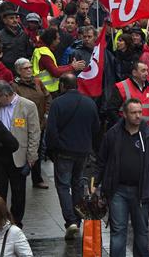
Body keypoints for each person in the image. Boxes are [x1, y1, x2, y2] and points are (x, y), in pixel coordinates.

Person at [96, 98, 149, 257]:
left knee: (142, 232)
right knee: (118, 231)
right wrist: (97, 183)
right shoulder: (113, 135)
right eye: (133, 113)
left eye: (140, 112)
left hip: (142, 192)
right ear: (124, 114)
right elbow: (101, 161)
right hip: (118, 191)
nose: (138, 116)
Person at [46, 73, 100, 239]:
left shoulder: (57, 103)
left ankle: (71, 221)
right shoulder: (89, 103)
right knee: (77, 185)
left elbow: (51, 131)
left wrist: (51, 151)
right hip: (83, 152)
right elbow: (96, 129)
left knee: (63, 186)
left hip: (63, 152)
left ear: (62, 86)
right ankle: (77, 217)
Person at [0, 81, 40, 228]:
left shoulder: (28, 106)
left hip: (18, 155)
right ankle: (1, 219)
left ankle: (16, 221)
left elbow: (34, 133)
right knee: (0, 191)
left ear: (7, 95)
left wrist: (32, 157)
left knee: (18, 191)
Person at [12, 58, 51, 189]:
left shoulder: (38, 82)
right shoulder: (14, 86)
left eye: (30, 67)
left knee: (38, 151)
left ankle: (37, 178)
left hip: (39, 122)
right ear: (18, 71)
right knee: (21, 151)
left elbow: (47, 97)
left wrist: (46, 114)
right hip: (22, 125)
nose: (29, 70)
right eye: (25, 68)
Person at [106, 61, 149, 129]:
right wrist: (122, 127)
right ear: (134, 73)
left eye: (147, 70)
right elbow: (111, 110)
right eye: (143, 71)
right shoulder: (121, 87)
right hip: (127, 132)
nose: (146, 73)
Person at [32, 27, 86, 95]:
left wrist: (71, 66)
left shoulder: (42, 50)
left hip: (43, 89)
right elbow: (55, 72)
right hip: (46, 91)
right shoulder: (44, 53)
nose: (59, 41)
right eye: (57, 38)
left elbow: (55, 68)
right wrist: (72, 67)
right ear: (52, 40)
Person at [0, 6, 34, 73]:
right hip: (7, 70)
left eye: (16, 18)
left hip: (22, 70)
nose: (15, 20)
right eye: (11, 18)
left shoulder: (23, 34)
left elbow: (29, 52)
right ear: (5, 20)